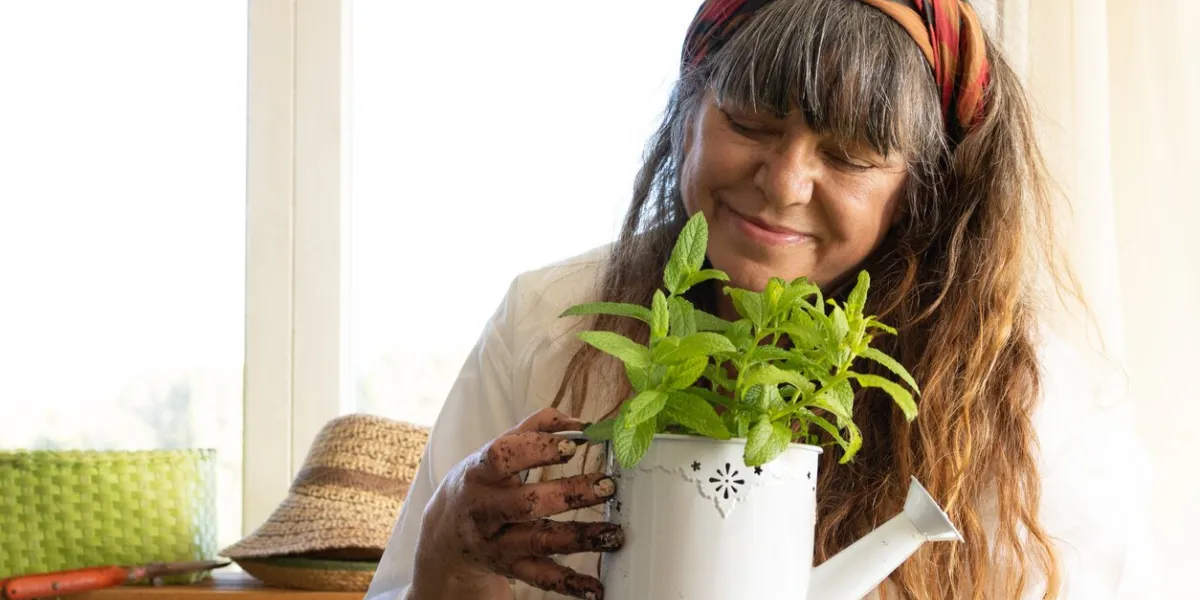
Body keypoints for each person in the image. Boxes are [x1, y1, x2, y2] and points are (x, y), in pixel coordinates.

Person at [365, 0, 1156, 598]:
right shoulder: (551, 322)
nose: (783, 183)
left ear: (924, 193)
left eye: (849, 155)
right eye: (749, 121)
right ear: (688, 118)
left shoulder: (1023, 399)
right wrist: (448, 547)